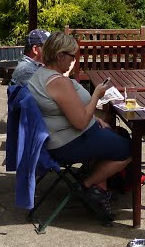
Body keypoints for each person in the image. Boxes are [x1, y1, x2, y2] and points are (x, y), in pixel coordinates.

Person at [26, 32, 130, 218]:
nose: (74, 60)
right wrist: (96, 95)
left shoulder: (41, 74)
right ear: (60, 56)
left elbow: (68, 111)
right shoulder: (58, 82)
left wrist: (93, 118)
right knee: (130, 148)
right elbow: (81, 122)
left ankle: (100, 189)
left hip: (59, 138)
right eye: (72, 56)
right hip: (67, 143)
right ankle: (87, 185)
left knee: (118, 134)